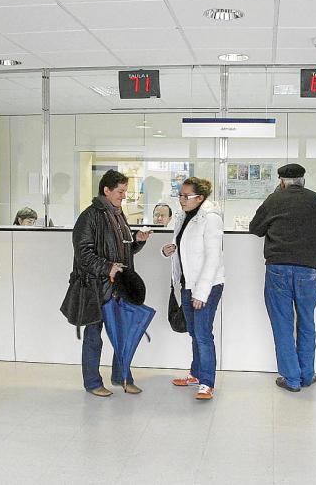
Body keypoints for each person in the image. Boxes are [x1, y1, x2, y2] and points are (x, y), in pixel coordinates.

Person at [249, 163, 316, 392]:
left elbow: (255, 228)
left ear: (282, 181)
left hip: (278, 268)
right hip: (309, 270)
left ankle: (291, 379)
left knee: (283, 324)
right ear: (303, 180)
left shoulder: (274, 200)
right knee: (306, 322)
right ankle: (306, 375)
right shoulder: (315, 199)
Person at [71, 169, 152, 397]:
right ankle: (92, 383)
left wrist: (137, 241)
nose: (124, 196)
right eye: (120, 191)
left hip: (118, 286)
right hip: (96, 288)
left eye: (125, 191)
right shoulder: (89, 216)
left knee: (124, 334)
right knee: (94, 336)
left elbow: (123, 252)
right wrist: (108, 267)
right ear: (106, 190)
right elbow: (83, 254)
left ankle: (122, 377)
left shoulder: (117, 214)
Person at [162, 178, 224, 400]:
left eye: (186, 196)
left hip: (206, 286)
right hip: (187, 283)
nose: (182, 200)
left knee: (203, 334)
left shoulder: (210, 218)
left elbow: (213, 258)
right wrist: (168, 250)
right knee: (194, 332)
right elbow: (185, 247)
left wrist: (201, 292)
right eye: (180, 195)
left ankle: (207, 382)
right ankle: (196, 375)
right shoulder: (183, 216)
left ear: (200, 198)